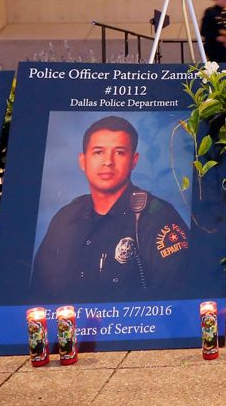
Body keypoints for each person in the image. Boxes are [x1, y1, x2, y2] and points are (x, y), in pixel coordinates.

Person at [31, 115, 190, 301]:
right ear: (83, 161)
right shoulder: (65, 218)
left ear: (134, 161)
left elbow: (174, 308)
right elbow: (38, 298)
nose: (108, 161)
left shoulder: (159, 220)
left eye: (120, 152)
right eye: (98, 152)